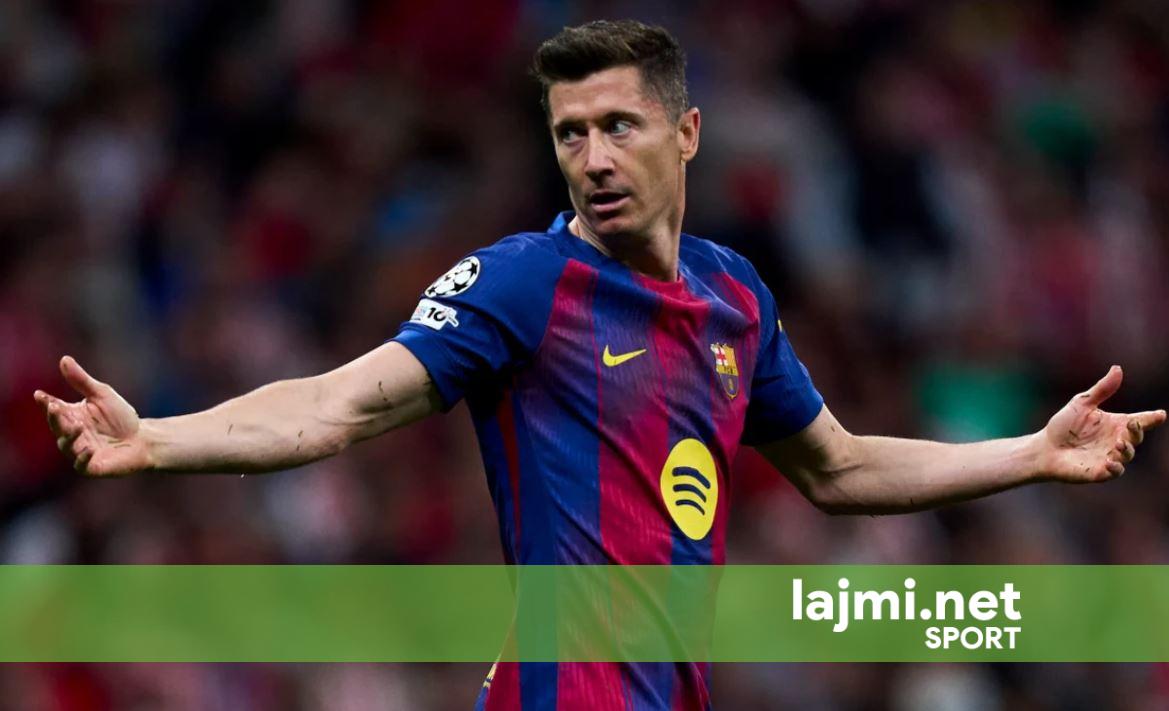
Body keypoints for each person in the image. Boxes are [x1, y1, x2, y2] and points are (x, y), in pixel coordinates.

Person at [33, 19, 1165, 711]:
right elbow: (334, 404)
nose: (591, 157)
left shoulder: (733, 296)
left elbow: (840, 467)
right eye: (569, 133)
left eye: (618, 125)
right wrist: (157, 439)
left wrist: (1028, 454)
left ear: (687, 134)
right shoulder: (522, 283)